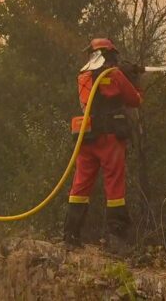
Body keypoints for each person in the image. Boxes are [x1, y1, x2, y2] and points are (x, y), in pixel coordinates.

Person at [64, 38, 142, 253]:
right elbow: (135, 100)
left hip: (86, 138)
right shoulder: (114, 75)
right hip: (109, 138)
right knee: (114, 186)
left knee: (80, 186)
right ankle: (115, 239)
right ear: (111, 55)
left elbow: (88, 102)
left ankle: (71, 236)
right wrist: (133, 79)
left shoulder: (83, 76)